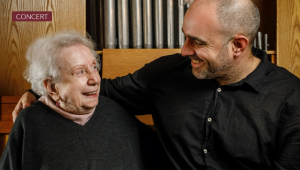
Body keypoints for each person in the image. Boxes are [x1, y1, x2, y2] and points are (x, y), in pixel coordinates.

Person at [12, 0, 300, 169]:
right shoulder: (167, 73)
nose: (184, 50)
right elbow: (98, 89)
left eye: (197, 42)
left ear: (238, 45)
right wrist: (38, 89)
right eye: (185, 36)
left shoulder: (291, 99)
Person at [1, 32, 163, 170]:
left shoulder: (118, 112)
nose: (95, 79)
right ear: (52, 87)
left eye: (94, 67)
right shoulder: (29, 121)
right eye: (80, 72)